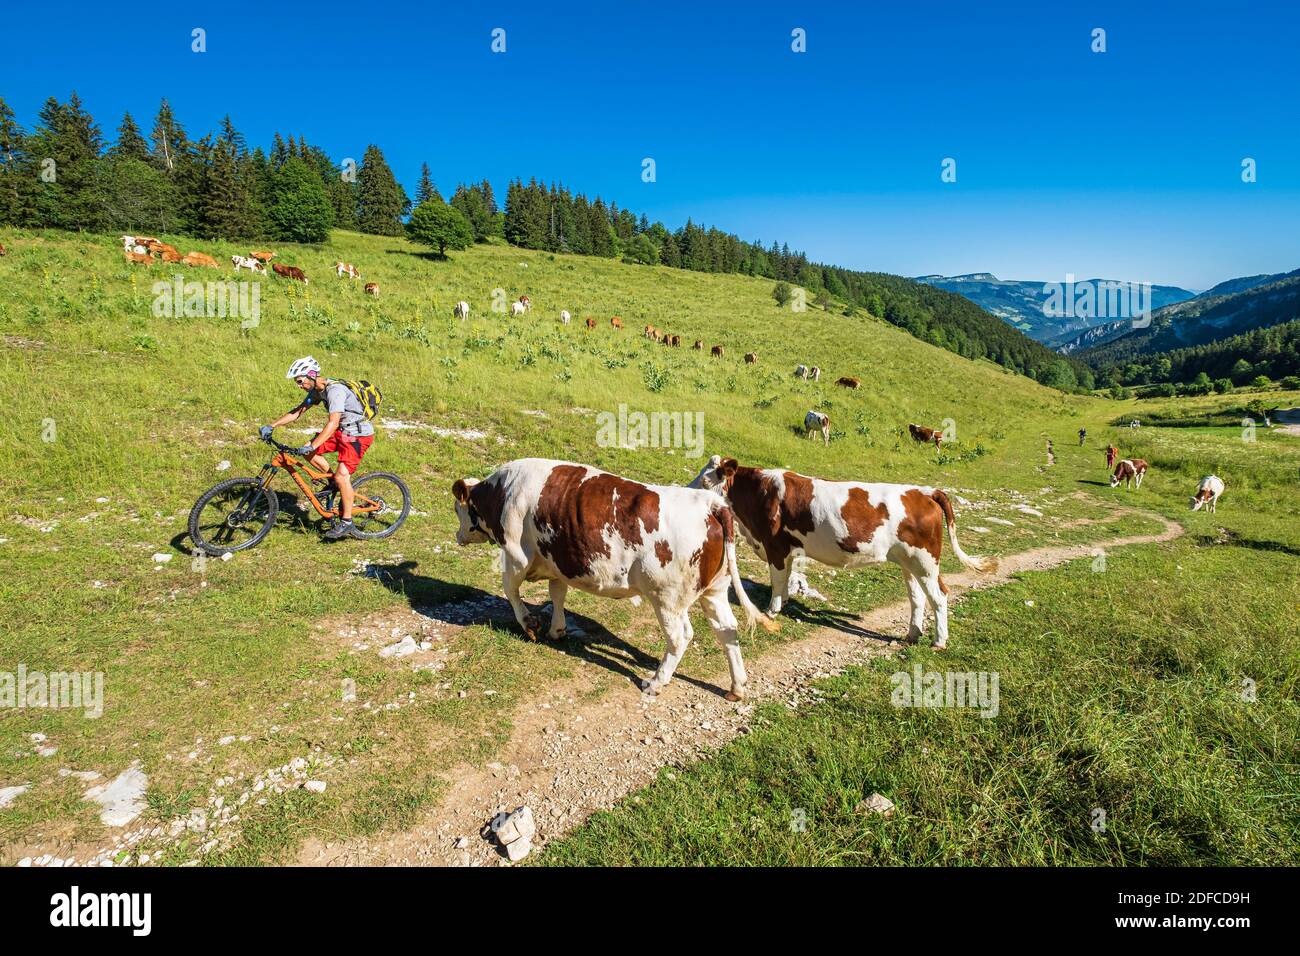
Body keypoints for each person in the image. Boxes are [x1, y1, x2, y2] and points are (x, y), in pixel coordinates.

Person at [261, 356, 375, 540]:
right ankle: (333, 483)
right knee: (308, 450)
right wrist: (272, 425)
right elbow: (298, 411)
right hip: (343, 432)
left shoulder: (335, 391)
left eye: (300, 381)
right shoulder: (317, 391)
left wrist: (315, 444)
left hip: (357, 436)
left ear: (312, 375)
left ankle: (346, 522)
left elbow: (333, 422)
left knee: (342, 475)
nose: (298, 385)